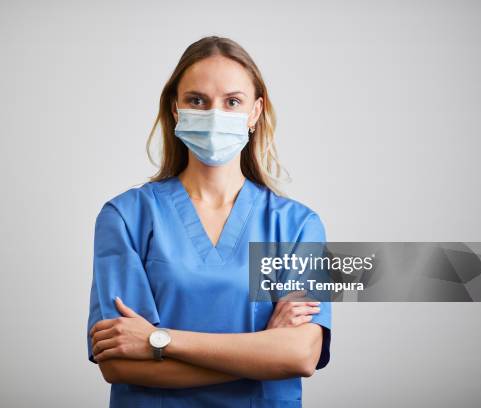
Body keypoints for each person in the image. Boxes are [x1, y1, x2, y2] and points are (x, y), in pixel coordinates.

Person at [86, 35, 331, 408]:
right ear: (175, 109)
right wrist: (262, 353)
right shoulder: (126, 218)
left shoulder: (297, 226)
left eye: (232, 102)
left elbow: (300, 355)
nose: (215, 115)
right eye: (197, 101)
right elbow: (119, 363)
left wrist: (159, 340)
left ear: (255, 112)